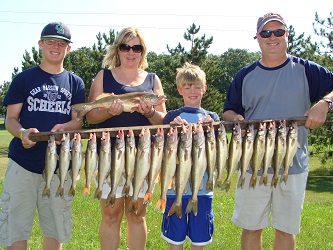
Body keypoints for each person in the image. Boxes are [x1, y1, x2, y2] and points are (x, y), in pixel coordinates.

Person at [223, 12, 333, 250]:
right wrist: (237, 119)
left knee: (285, 229)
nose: (272, 37)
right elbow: (228, 111)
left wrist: (325, 104)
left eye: (278, 32)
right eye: (266, 33)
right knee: (251, 228)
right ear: (257, 37)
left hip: (293, 165)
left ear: (287, 35)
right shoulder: (245, 75)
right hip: (253, 164)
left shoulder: (306, 70)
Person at [0, 22, 86, 250]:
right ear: (40, 44)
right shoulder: (23, 79)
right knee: (15, 229)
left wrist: (65, 128)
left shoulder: (75, 83)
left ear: (69, 48)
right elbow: (11, 119)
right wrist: (22, 134)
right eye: (50, 41)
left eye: (62, 43)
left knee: (54, 231)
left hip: (60, 167)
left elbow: (78, 120)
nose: (56, 46)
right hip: (23, 164)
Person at [85, 26, 166, 250]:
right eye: (125, 47)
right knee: (111, 214)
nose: (131, 52)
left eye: (136, 48)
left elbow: (163, 121)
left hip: (144, 155)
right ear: (118, 49)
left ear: (143, 51)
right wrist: (109, 111)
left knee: (137, 213)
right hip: (108, 153)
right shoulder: (104, 76)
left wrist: (149, 112)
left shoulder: (152, 80)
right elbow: (90, 116)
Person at [161, 62, 219, 250]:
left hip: (202, 191)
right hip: (175, 191)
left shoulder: (213, 117)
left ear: (205, 89)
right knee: (175, 241)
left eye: (197, 87)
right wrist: (171, 128)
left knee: (199, 241)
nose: (192, 91)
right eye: (187, 87)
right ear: (179, 90)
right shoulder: (171, 117)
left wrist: (214, 128)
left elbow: (219, 150)